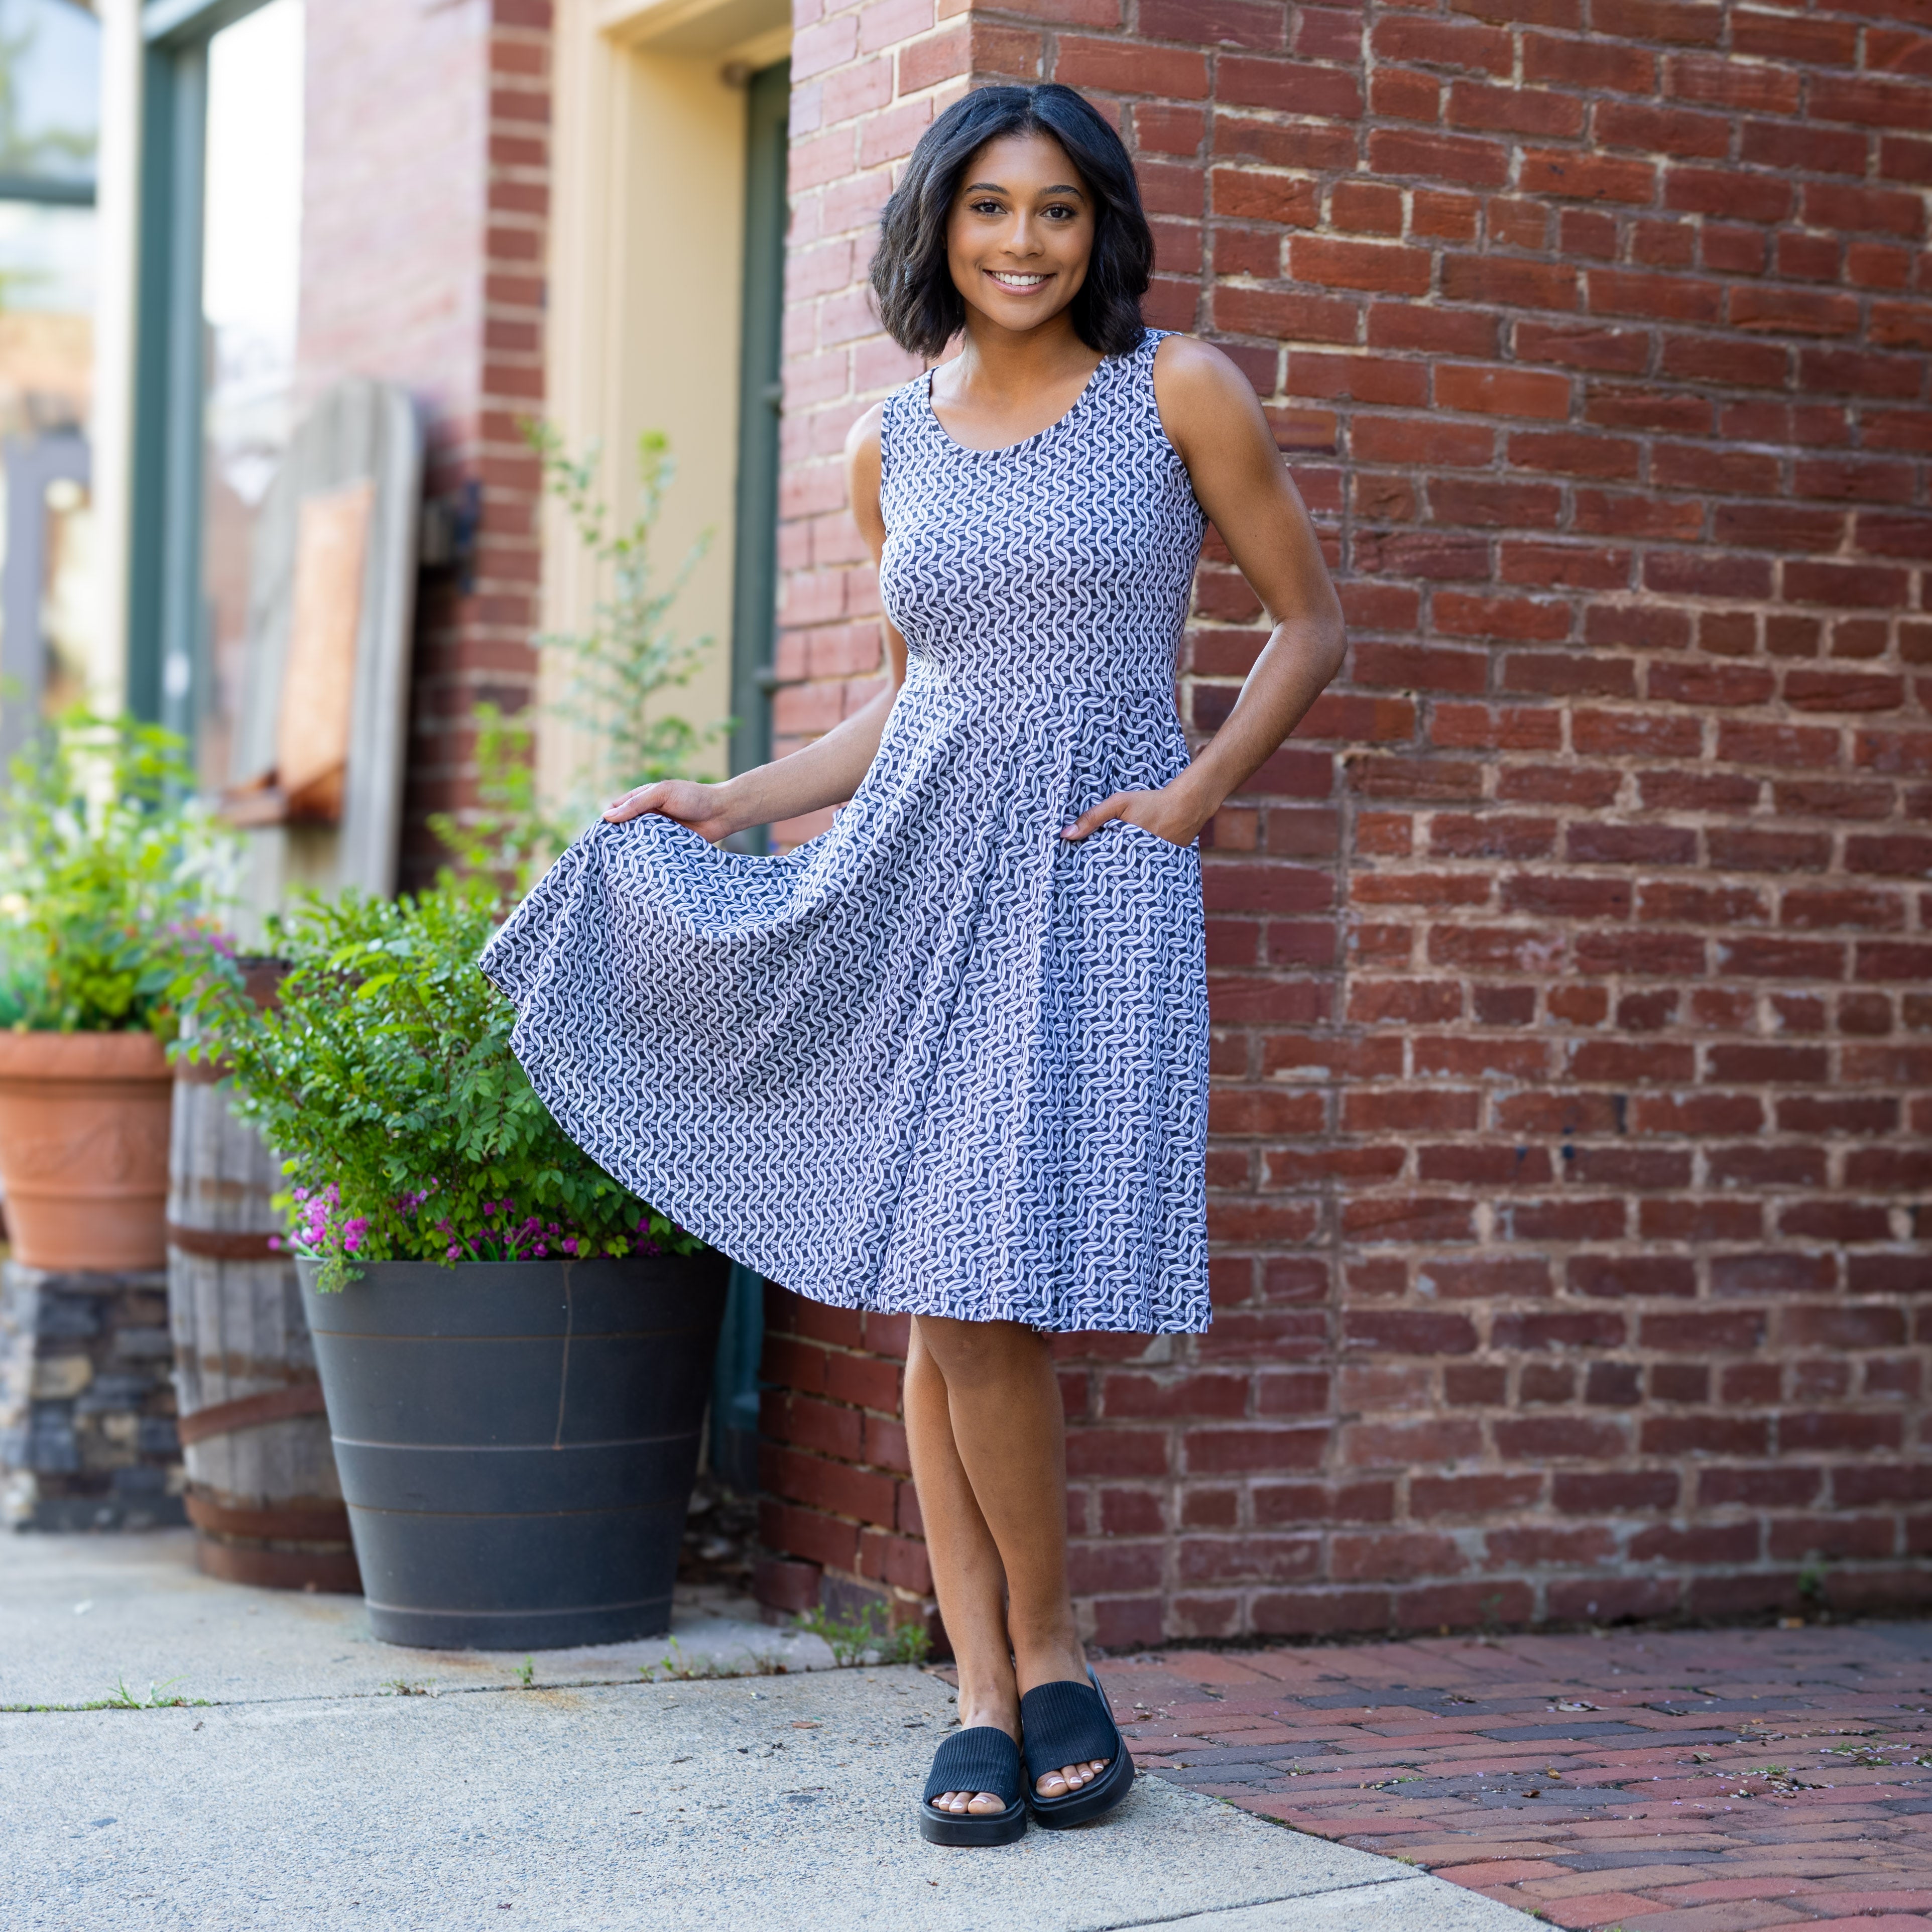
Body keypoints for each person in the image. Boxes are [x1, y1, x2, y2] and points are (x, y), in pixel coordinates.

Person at [479, 81, 1343, 1846]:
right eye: (991, 210)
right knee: (950, 1274)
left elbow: (1311, 619)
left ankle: (1036, 1654)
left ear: (1099, 229)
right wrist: (731, 794)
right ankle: (1003, 1683)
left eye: (1058, 212)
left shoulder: (1174, 391)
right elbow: (910, 698)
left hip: (1091, 874)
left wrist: (1191, 794)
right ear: (939, 224)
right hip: (913, 872)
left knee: (981, 1283)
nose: (1023, 243)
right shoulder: (894, 439)